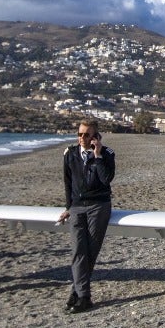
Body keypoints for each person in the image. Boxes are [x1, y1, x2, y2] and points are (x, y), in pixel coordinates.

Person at [58, 119, 115, 314]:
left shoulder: (107, 154)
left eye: (87, 134)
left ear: (96, 137)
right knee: (77, 251)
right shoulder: (70, 154)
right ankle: (82, 295)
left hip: (98, 206)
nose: (82, 138)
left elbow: (106, 179)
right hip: (77, 208)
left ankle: (79, 294)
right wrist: (68, 207)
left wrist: (97, 156)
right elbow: (67, 183)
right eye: (80, 134)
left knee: (90, 251)